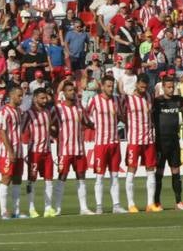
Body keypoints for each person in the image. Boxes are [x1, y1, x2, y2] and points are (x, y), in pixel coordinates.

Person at [52, 79, 92, 217]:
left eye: (73, 90)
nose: (72, 93)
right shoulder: (58, 108)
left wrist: (97, 125)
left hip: (79, 148)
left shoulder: (79, 107)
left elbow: (87, 122)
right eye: (69, 91)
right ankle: (57, 208)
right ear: (63, 93)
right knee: (62, 176)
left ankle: (84, 207)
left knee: (81, 177)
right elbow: (50, 124)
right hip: (64, 149)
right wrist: (54, 133)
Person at [87, 74, 125, 214]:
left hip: (115, 142)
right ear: (102, 86)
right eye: (108, 86)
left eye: (112, 86)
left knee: (115, 175)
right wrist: (95, 127)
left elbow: (121, 115)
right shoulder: (95, 100)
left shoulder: (116, 100)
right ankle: (99, 206)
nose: (111, 88)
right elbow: (86, 116)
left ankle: (116, 205)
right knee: (99, 176)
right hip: (101, 144)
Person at [150, 72, 183, 211]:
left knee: (176, 171)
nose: (171, 89)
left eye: (172, 87)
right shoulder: (157, 101)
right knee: (159, 173)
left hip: (174, 141)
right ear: (163, 87)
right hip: (160, 141)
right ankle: (156, 202)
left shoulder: (179, 100)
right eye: (168, 87)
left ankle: (178, 202)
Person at [123, 76, 157, 213]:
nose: (143, 89)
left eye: (145, 87)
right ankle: (131, 204)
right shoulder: (128, 99)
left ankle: (150, 204)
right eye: (141, 87)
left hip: (148, 140)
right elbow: (122, 115)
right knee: (132, 170)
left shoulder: (149, 96)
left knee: (150, 170)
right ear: (137, 84)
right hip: (134, 140)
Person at [21, 86, 56, 218]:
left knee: (49, 180)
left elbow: (51, 128)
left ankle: (48, 207)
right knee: (32, 180)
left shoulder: (47, 112)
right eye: (42, 98)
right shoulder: (29, 113)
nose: (45, 100)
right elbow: (22, 130)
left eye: (45, 98)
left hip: (47, 151)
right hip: (34, 152)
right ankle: (31, 208)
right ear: (35, 98)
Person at [0, 84, 26, 220]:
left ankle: (16, 211)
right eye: (19, 95)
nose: (21, 98)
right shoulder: (4, 111)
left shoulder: (19, 111)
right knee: (6, 178)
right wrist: (10, 151)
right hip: (8, 152)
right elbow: (2, 131)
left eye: (22, 96)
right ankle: (3, 211)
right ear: (12, 96)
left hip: (19, 150)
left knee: (18, 180)